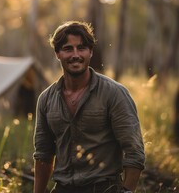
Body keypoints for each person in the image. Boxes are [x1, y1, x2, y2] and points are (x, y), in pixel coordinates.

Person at [33, 21, 145, 193]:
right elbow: (43, 155)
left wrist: (127, 191)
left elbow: (134, 151)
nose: (75, 55)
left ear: (91, 51)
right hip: (63, 188)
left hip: (104, 187)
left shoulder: (114, 93)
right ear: (57, 54)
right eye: (68, 48)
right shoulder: (46, 99)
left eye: (82, 48)